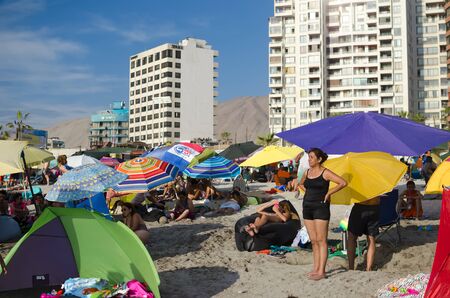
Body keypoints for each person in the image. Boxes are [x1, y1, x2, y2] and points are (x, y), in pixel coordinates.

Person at [298, 148, 347, 280]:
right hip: (307, 207)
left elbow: (343, 182)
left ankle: (322, 271)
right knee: (313, 241)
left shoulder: (325, 172)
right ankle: (315, 268)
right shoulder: (307, 172)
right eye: (309, 157)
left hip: (321, 207)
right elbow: (300, 184)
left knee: (321, 240)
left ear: (319, 160)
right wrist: (308, 192)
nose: (309, 160)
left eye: (312, 157)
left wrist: (329, 193)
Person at [347, 196, 380, 271]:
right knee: (371, 239)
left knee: (351, 238)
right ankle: (369, 268)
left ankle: (351, 267)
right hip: (374, 207)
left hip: (360, 207)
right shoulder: (379, 184)